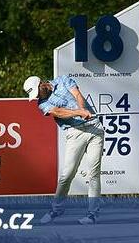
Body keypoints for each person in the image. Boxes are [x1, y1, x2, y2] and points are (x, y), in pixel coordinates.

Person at [23, 75, 105, 224]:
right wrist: (79, 113)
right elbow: (59, 112)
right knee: (67, 175)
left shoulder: (63, 80)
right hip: (74, 133)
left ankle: (93, 214)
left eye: (37, 92)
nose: (37, 97)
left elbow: (77, 94)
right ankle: (56, 210)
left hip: (95, 128)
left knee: (94, 173)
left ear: (42, 84)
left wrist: (82, 109)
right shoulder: (42, 104)